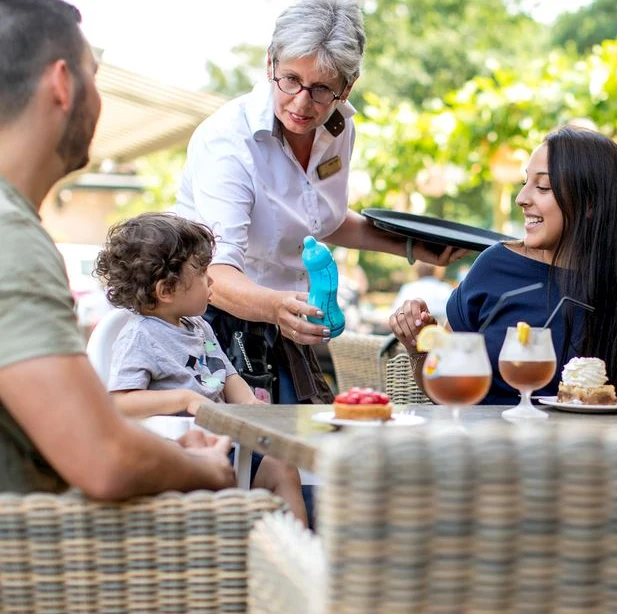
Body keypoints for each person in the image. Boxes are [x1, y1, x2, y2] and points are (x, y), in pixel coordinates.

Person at [174, 0, 464, 406]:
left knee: (302, 451)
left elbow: (318, 220)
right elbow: (216, 274)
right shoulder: (227, 141)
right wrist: (279, 308)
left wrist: (412, 246)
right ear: (270, 63)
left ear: (348, 86)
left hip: (284, 318)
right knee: (254, 459)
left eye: (322, 88)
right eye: (290, 79)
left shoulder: (340, 127)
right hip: (217, 322)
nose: (301, 103)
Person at [0, 0, 234, 497]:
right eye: (94, 76)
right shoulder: (10, 238)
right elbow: (104, 460)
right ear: (63, 84)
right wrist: (206, 471)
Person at [390, 127, 617, 405]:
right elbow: (443, 390)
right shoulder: (495, 266)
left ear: (590, 203)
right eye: (525, 183)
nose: (522, 198)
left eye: (543, 187)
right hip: (482, 453)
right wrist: (419, 349)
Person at [95, 214, 307, 525]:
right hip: (183, 462)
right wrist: (183, 399)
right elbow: (120, 402)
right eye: (203, 272)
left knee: (283, 467)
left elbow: (227, 374)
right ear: (166, 289)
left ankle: (296, 562)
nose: (211, 281)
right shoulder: (140, 336)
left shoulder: (198, 327)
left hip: (227, 448)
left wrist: (249, 406)